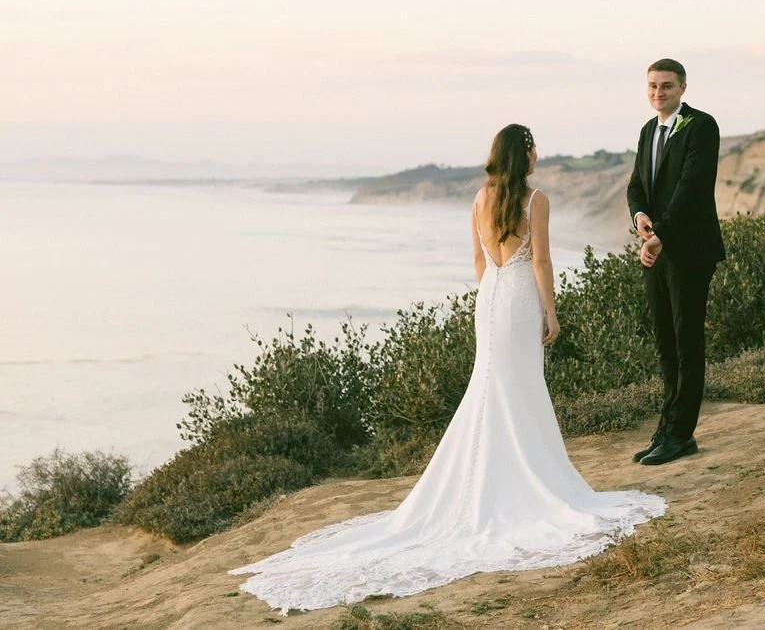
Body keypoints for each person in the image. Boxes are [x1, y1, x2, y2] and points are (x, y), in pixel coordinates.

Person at [230, 124, 665, 614]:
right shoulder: (535, 200)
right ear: (525, 155)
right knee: (519, 388)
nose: (539, 153)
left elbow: (479, 262)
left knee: (491, 386)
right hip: (521, 296)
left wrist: (493, 295)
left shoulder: (481, 198)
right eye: (534, 147)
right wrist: (551, 310)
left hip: (491, 298)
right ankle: (522, 478)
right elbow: (541, 260)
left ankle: (490, 473)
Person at [626, 59, 726, 466]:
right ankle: (667, 428)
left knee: (687, 343)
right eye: (652, 86)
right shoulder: (648, 130)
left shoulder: (702, 126)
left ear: (683, 87)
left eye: (666, 86)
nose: (658, 93)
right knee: (665, 343)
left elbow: (692, 189)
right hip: (657, 249)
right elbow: (637, 185)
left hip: (689, 252)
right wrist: (640, 219)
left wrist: (661, 235)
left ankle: (682, 435)